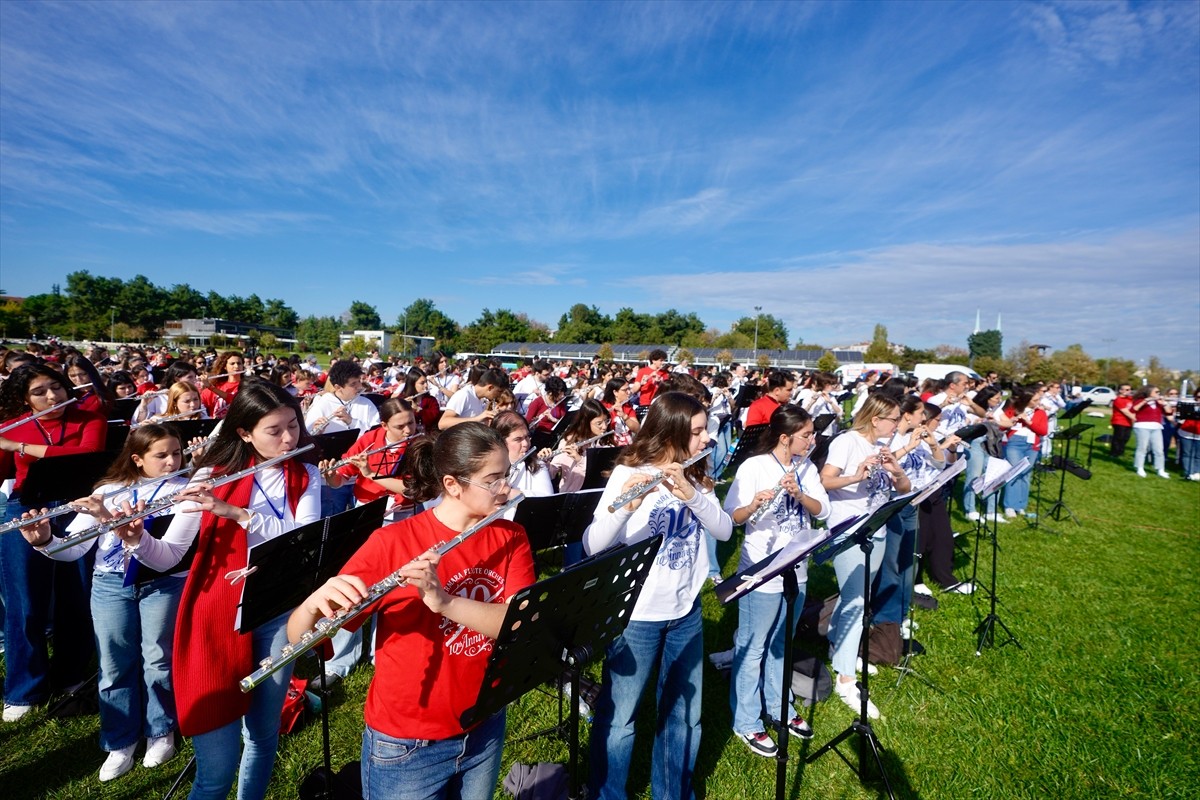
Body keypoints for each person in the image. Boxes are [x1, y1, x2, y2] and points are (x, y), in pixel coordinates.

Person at [289, 423, 535, 799]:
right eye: (494, 479)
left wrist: (445, 602)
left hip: (483, 721)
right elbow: (307, 642)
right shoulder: (393, 543)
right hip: (407, 741)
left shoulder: (510, 536)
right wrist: (308, 608)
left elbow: (520, 625)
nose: (507, 488)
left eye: (507, 475)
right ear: (453, 485)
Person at [123, 380, 321, 800]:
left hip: (276, 611)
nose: (289, 438)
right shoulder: (210, 475)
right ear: (244, 433)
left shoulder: (307, 473)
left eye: (293, 425)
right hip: (216, 616)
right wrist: (135, 539)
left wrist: (237, 513)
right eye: (274, 430)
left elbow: (303, 539)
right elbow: (170, 554)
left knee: (264, 735)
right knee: (216, 770)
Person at [17, 424, 189, 780]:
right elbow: (75, 548)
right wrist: (45, 541)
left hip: (163, 584)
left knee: (158, 659)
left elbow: (168, 558)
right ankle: (119, 740)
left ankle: (161, 731)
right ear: (138, 459)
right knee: (114, 663)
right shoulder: (109, 491)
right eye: (162, 455)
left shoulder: (186, 491)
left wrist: (118, 526)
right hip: (110, 585)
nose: (172, 461)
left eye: (177, 452)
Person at [584, 392, 733, 800]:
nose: (707, 439)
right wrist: (627, 506)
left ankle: (674, 792)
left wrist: (690, 493)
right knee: (620, 718)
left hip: (687, 610)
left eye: (706, 430)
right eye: (698, 431)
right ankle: (608, 793)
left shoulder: (697, 474)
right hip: (636, 615)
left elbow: (723, 531)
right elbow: (593, 545)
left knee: (685, 714)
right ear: (672, 431)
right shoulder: (629, 471)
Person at [0, 364, 106, 722]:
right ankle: (23, 688)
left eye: (56, 387)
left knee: (76, 596)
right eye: (40, 392)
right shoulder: (12, 425)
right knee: (25, 601)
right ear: (24, 399)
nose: (52, 397)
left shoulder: (89, 416)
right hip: (26, 508)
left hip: (76, 506)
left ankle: (70, 674)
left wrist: (19, 445)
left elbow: (88, 453)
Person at [724, 405, 828, 757]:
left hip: (797, 568)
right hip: (762, 568)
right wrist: (754, 505)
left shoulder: (807, 467)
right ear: (785, 438)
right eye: (805, 435)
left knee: (781, 643)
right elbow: (731, 519)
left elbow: (823, 510)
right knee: (753, 647)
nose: (811, 440)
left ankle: (778, 705)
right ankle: (746, 720)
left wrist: (799, 493)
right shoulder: (754, 467)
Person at [819, 393, 911, 719]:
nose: (898, 424)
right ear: (876, 419)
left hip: (878, 531)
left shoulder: (880, 447)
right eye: (894, 418)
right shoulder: (847, 442)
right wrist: (857, 476)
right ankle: (846, 678)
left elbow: (903, 489)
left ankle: (837, 644)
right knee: (857, 603)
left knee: (857, 598)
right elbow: (824, 481)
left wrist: (895, 469)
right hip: (849, 532)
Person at [999, 386, 1048, 518]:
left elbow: (1043, 431)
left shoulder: (1040, 412)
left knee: (1025, 475)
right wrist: (1012, 420)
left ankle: (1020, 506)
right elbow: (1001, 426)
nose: (1038, 402)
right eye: (1035, 400)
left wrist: (1029, 421)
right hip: (1014, 442)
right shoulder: (1014, 409)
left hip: (1032, 444)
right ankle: (1009, 505)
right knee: (1015, 472)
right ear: (1027, 400)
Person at [548, 399, 610, 494]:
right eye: (599, 423)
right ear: (586, 422)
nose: (605, 427)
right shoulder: (570, 442)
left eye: (606, 421)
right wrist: (543, 462)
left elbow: (601, 475)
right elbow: (551, 473)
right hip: (571, 495)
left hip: (592, 493)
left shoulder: (600, 442)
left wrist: (580, 460)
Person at [490, 411, 554, 502]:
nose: (526, 444)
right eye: (518, 439)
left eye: (527, 437)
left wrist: (512, 494)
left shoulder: (536, 464)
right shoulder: (487, 467)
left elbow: (548, 499)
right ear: (500, 442)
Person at [439, 369, 506, 430]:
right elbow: (442, 423)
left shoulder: (481, 399)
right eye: (499, 391)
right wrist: (476, 419)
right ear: (490, 388)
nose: (499, 395)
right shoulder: (464, 395)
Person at [1131, 386, 1168, 479]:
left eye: (1159, 392)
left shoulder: (1158, 402)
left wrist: (1164, 403)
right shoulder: (1140, 400)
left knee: (1159, 449)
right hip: (1142, 426)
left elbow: (1168, 412)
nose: (1158, 394)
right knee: (1142, 448)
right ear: (1149, 392)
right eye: (1156, 392)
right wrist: (1145, 401)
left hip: (1156, 427)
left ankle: (1160, 469)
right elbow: (1133, 409)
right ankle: (1139, 467)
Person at [200, 351, 245, 419]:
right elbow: (199, 405)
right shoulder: (217, 386)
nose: (236, 366)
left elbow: (234, 400)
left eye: (239, 363)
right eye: (232, 364)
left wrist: (210, 387)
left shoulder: (247, 385)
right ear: (225, 367)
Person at [601, 377, 640, 445]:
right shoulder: (602, 406)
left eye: (629, 389)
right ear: (615, 392)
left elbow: (637, 429)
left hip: (625, 445)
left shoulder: (627, 406)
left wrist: (624, 416)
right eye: (625, 390)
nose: (629, 392)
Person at [1109, 384, 1135, 457]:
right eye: (1126, 389)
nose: (1128, 391)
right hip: (1119, 421)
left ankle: (1121, 451)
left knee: (1126, 438)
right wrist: (1137, 419)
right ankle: (1114, 453)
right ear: (1120, 390)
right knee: (1118, 437)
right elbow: (1126, 412)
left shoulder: (1130, 399)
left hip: (1128, 422)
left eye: (1129, 389)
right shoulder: (1118, 400)